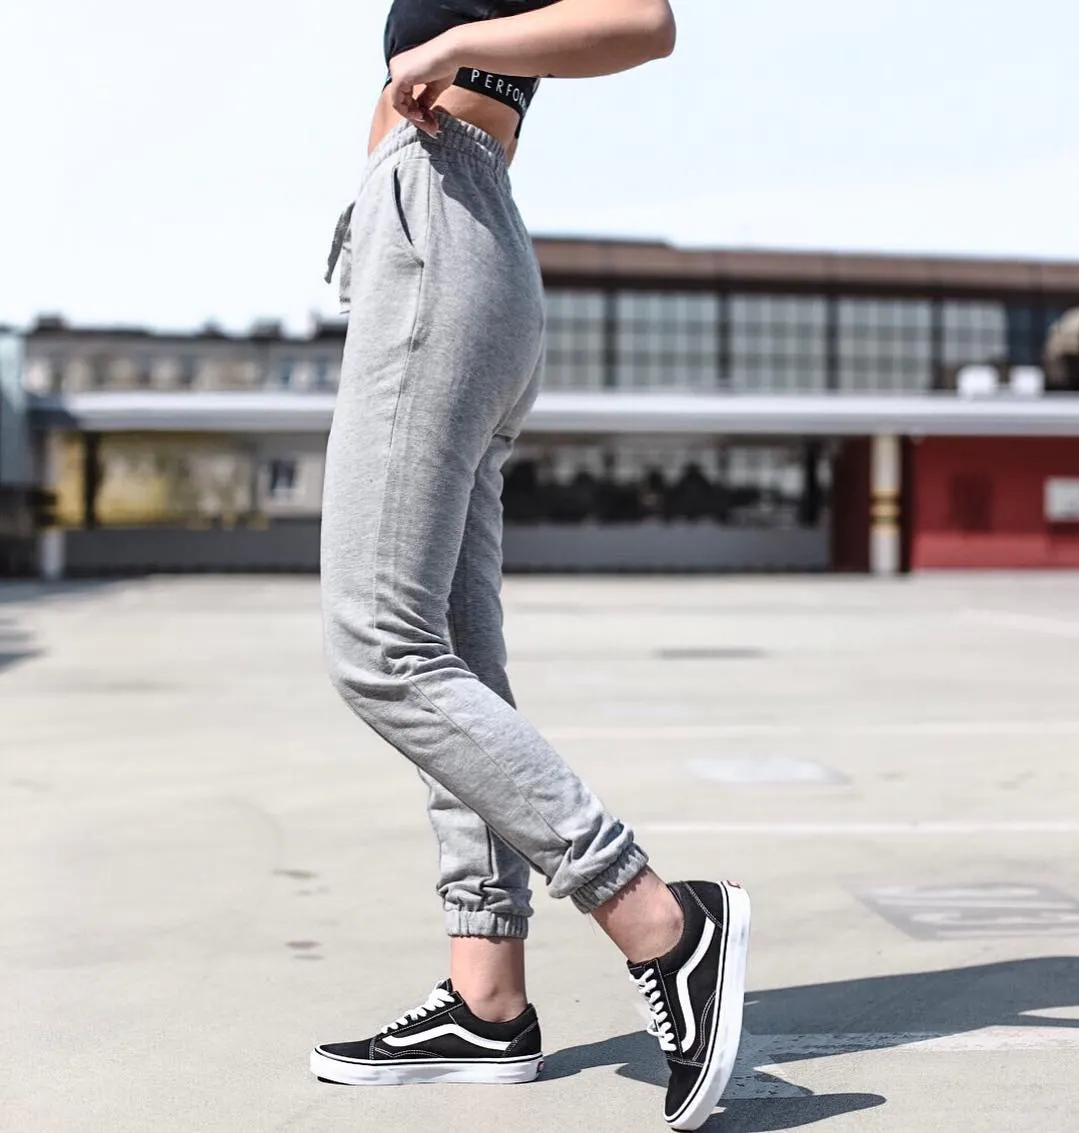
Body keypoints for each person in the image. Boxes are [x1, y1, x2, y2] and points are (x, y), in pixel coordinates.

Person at [313, 3, 751, 1128]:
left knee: (379, 648)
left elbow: (641, 19)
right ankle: (486, 995)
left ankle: (659, 919)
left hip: (439, 225)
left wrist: (444, 51)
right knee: (448, 658)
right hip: (448, 238)